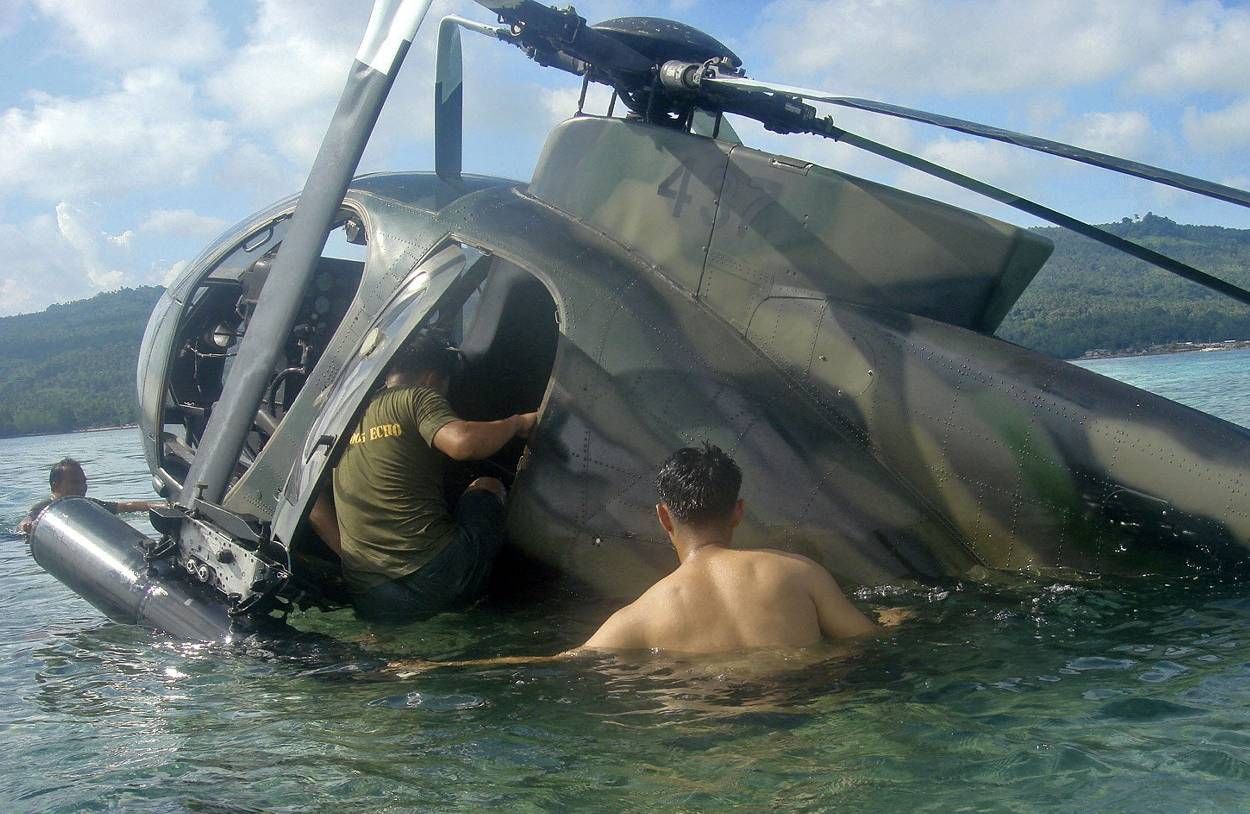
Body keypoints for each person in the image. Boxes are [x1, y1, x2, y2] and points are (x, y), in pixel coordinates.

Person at [390, 444, 903, 673]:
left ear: (663, 518)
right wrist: (896, 620)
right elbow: (866, 645)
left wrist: (433, 666)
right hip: (809, 731)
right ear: (738, 511)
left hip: (707, 748)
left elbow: (553, 664)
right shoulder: (798, 573)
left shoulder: (641, 617)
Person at [332, 329, 538, 622]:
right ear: (431, 378)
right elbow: (462, 443)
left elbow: (312, 510)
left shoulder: (345, 419)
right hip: (438, 576)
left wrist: (354, 561)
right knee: (487, 486)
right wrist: (517, 424)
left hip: (373, 597)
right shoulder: (417, 397)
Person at [17, 458, 166, 534]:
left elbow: (126, 507)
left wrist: (164, 506)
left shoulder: (88, 505)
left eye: (83, 482)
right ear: (56, 485)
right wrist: (27, 527)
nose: (82, 488)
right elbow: (26, 521)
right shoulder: (43, 508)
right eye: (75, 483)